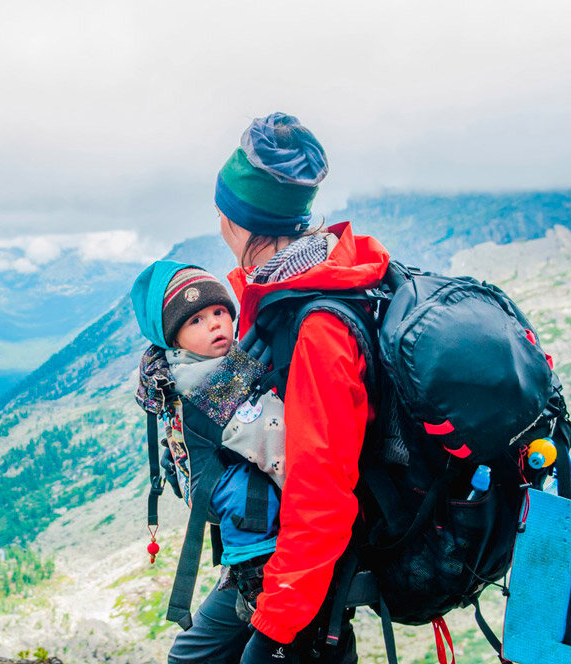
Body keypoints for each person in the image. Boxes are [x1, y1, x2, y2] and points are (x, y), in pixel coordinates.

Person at [168, 112, 390, 664]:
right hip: (279, 568)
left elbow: (320, 493)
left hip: (302, 579)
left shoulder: (316, 329)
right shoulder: (280, 294)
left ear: (239, 221)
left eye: (224, 212)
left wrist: (275, 628)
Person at [130, 263, 284, 576]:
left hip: (201, 478)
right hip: (224, 492)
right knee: (254, 499)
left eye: (218, 312)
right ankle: (251, 575)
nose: (214, 325)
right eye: (196, 320)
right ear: (175, 340)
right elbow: (270, 442)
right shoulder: (208, 385)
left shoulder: (181, 365)